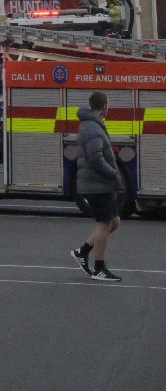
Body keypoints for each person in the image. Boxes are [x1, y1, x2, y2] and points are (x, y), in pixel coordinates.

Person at [72, 90, 123, 281]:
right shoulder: (92, 128)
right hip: (97, 184)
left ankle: (82, 251)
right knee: (104, 223)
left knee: (114, 221)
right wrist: (113, 172)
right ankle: (99, 268)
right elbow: (95, 159)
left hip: (98, 183)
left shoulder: (92, 125)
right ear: (105, 106)